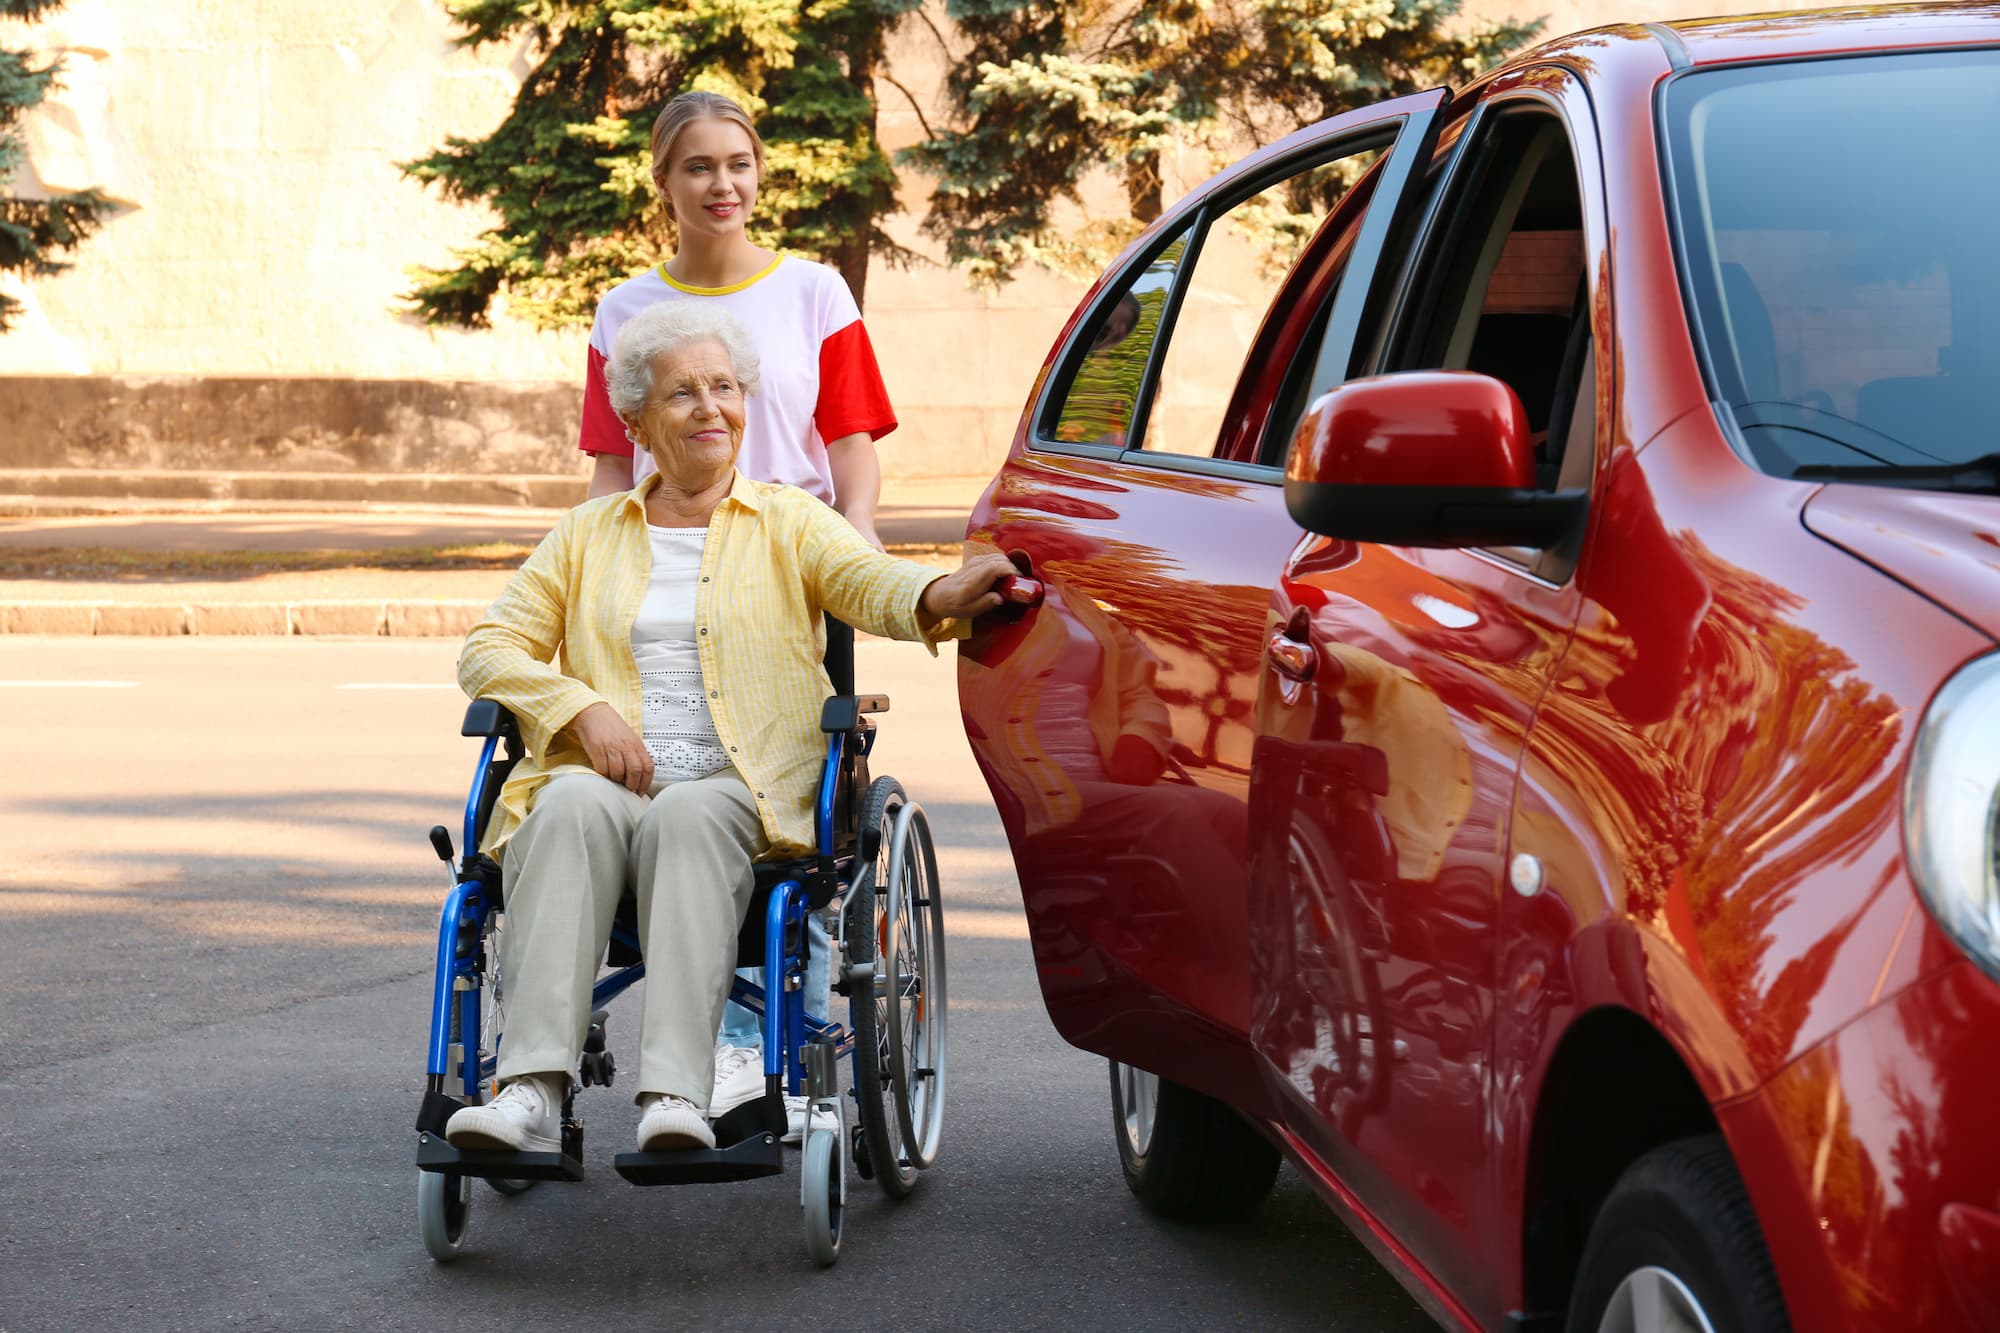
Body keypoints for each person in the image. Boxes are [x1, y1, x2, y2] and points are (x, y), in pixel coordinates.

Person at [445, 302, 1016, 1155]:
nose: (712, 407)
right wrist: (578, 708)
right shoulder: (585, 534)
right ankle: (528, 1091)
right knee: (561, 806)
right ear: (636, 420)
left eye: (724, 387)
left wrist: (940, 596)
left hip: (736, 792)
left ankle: (677, 1094)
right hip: (604, 788)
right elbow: (488, 649)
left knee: (689, 813)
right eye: (683, 393)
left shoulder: (787, 520)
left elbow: (874, 587)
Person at [577, 93, 893, 1119]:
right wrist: (585, 574)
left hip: (781, 562)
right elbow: (600, 469)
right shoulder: (622, 307)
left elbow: (851, 449)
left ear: (759, 174)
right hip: (661, 552)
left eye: (740, 164)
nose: (724, 185)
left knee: (753, 766)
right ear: (662, 184)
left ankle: (751, 1026)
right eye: (699, 167)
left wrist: (860, 542)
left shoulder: (811, 294)